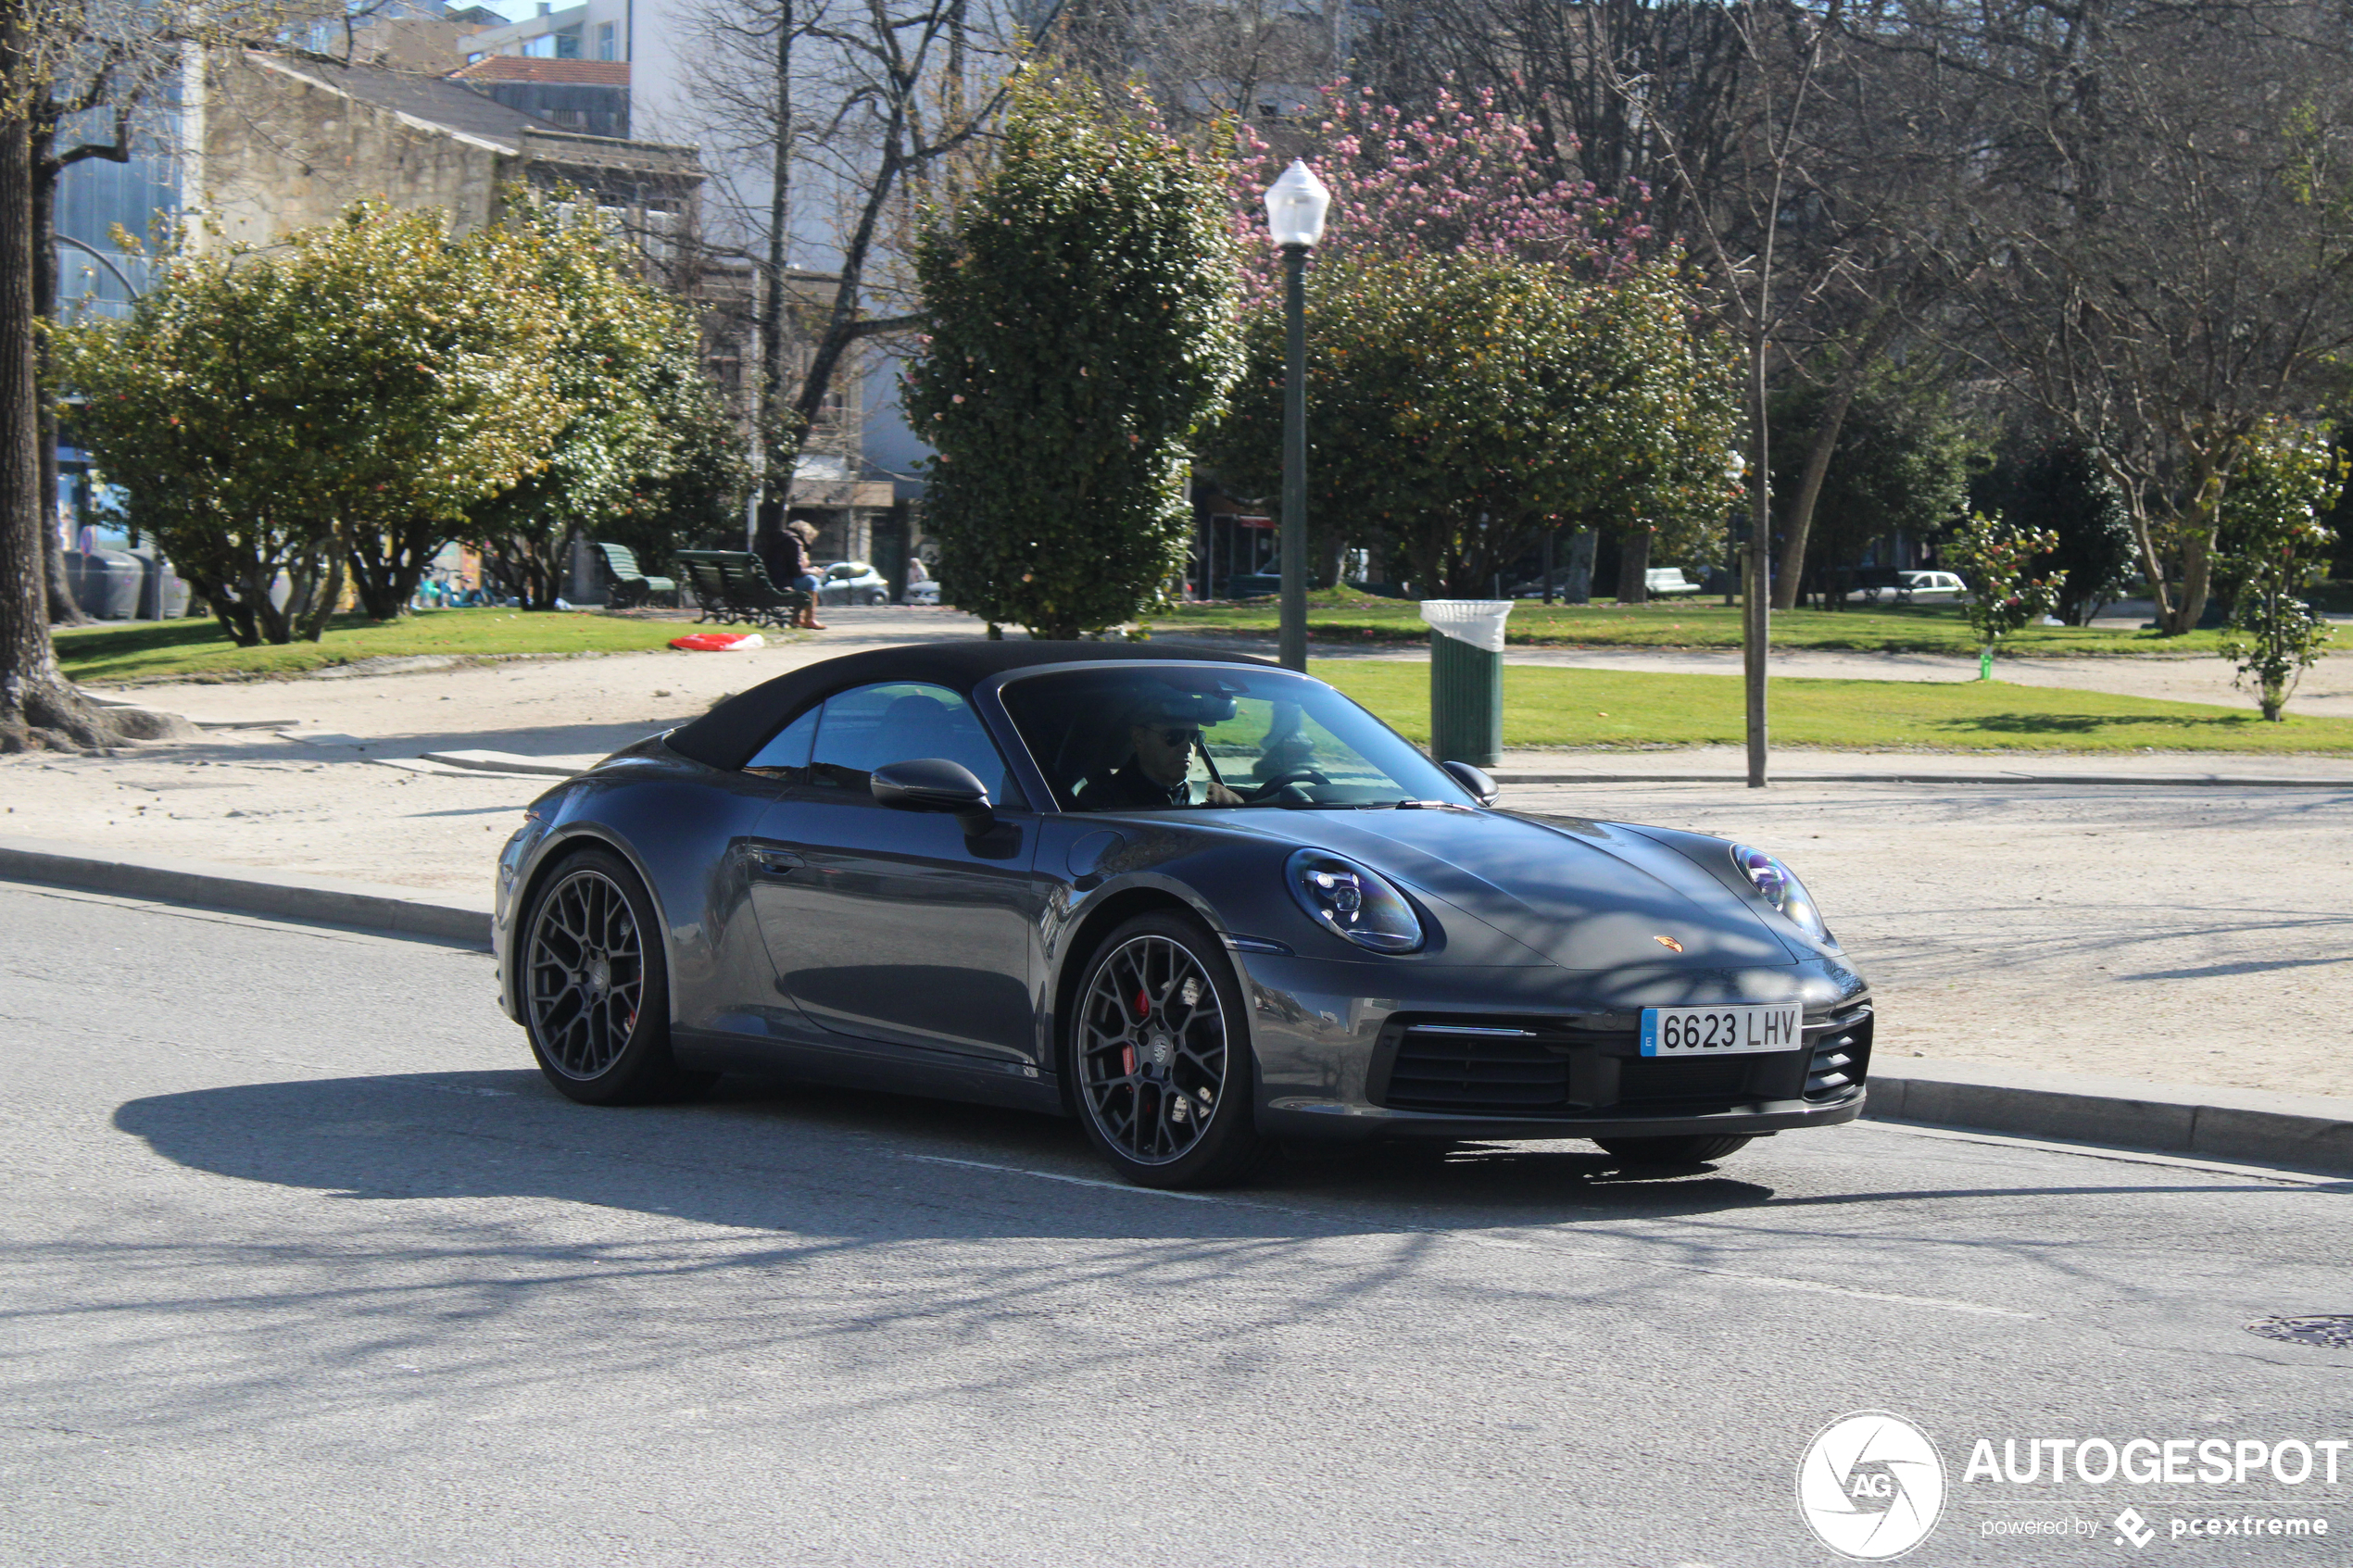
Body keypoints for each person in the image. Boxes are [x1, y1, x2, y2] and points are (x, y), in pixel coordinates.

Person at [1075, 694, 1246, 810]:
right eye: (1174, 736)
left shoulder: (1223, 800)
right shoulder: (1103, 803)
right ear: (1139, 738)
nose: (1187, 747)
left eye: (1195, 737)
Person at [782, 521, 825, 630]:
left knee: (806, 580)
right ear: (805, 533)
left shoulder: (779, 538)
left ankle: (797, 618)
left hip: (771, 580)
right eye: (810, 538)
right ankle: (809, 619)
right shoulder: (795, 542)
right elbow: (797, 571)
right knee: (811, 580)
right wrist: (814, 571)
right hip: (783, 583)